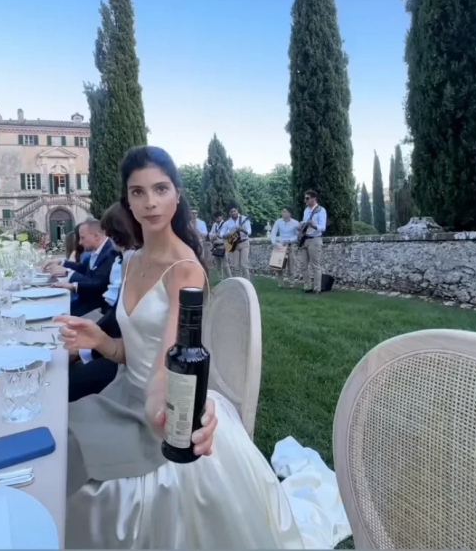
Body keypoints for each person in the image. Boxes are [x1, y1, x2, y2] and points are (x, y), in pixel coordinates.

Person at [56, 146, 307, 549]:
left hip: (158, 408)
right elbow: (134, 351)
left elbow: (165, 365)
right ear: (128, 201)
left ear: (177, 194)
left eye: (160, 189)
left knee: (72, 476)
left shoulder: (184, 270)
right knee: (54, 433)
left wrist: (164, 413)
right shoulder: (132, 260)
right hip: (120, 395)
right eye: (138, 192)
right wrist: (101, 341)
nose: (150, 202)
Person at [68, 202, 135, 402]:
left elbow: (118, 319)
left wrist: (84, 350)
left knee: (65, 383)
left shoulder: (132, 261)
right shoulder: (125, 257)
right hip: (117, 344)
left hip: (130, 363)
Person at [50, 220, 119, 317]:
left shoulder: (110, 252)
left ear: (96, 236)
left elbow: (98, 285)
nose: (80, 242)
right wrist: (62, 262)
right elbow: (84, 268)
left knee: (56, 312)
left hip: (98, 307)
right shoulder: (99, 250)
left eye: (82, 238)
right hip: (88, 302)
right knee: (54, 307)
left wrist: (68, 274)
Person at [298, 189, 327, 294]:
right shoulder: (306, 210)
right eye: (305, 198)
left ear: (314, 198)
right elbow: (305, 223)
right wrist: (301, 225)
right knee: (303, 264)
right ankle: (307, 286)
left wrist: (314, 225)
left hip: (315, 239)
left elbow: (322, 227)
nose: (305, 200)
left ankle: (317, 288)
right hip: (305, 239)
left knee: (315, 265)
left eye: (307, 198)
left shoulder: (321, 210)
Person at [220, 203, 252, 280]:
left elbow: (249, 231)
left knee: (244, 265)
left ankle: (247, 283)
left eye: (235, 211)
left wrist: (242, 230)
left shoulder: (244, 219)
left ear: (237, 210)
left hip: (244, 242)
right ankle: (237, 282)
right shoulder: (227, 223)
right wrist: (228, 234)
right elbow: (221, 233)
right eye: (232, 211)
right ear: (229, 213)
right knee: (235, 265)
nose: (234, 213)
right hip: (234, 244)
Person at [270, 206, 299, 288]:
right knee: (279, 264)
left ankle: (292, 282)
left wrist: (290, 240)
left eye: (284, 211)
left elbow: (297, 235)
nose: (282, 213)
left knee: (290, 264)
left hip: (289, 245)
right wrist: (274, 242)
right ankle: (280, 283)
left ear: (289, 213)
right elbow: (273, 233)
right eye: (282, 211)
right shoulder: (278, 222)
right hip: (280, 245)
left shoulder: (295, 223)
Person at [207, 211, 230, 281]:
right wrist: (214, 235)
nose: (217, 219)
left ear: (221, 217)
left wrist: (218, 236)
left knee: (225, 264)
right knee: (218, 264)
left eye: (218, 217)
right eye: (216, 218)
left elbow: (227, 235)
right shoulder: (215, 225)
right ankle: (220, 279)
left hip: (223, 245)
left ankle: (229, 278)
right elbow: (210, 233)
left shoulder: (225, 224)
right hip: (216, 245)